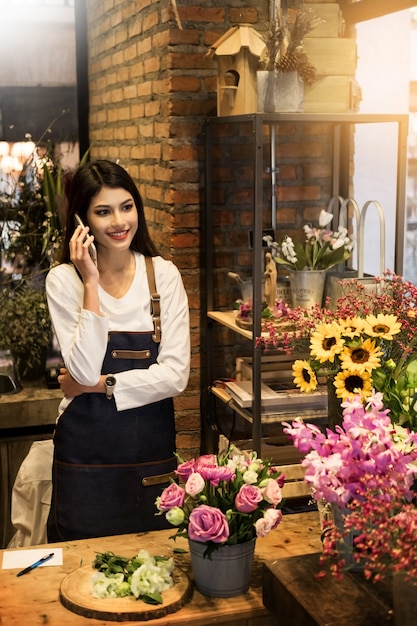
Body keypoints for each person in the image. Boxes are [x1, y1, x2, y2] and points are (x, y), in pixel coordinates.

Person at [45, 159, 190, 542]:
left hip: (149, 455)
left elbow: (175, 376)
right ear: (82, 221)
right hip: (84, 460)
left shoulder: (164, 276)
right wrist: (91, 282)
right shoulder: (64, 281)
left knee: (155, 563)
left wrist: (100, 385)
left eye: (127, 207)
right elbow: (82, 368)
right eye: (103, 212)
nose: (119, 222)